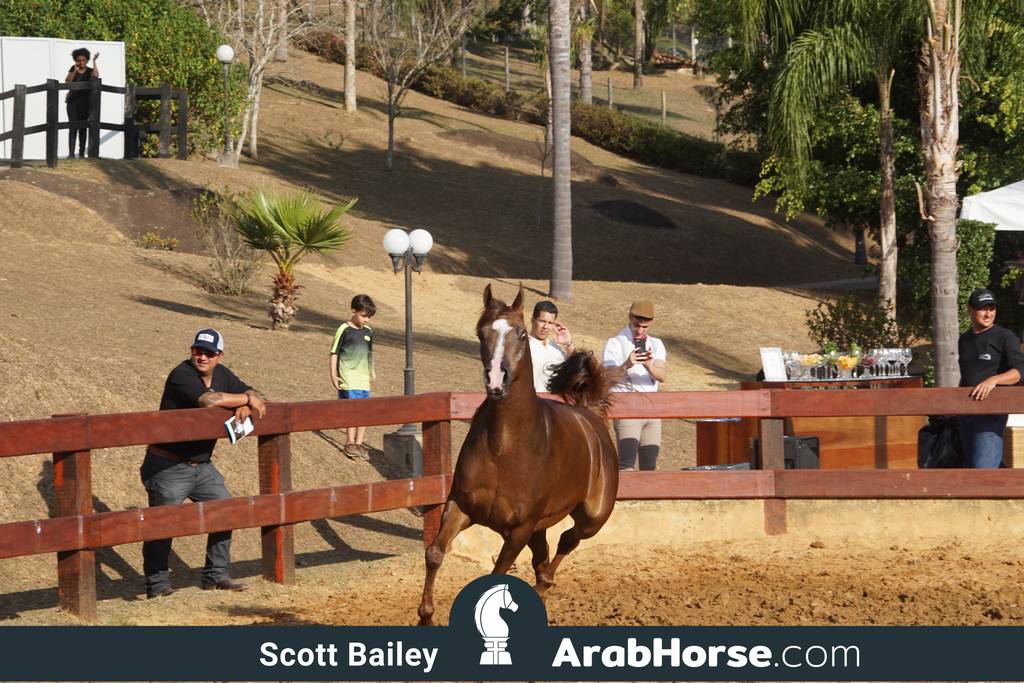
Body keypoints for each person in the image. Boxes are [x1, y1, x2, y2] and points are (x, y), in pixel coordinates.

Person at [141, 328, 266, 599]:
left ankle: (215, 575)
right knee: (164, 523)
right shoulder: (181, 374)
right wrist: (244, 400)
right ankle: (157, 584)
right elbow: (208, 400)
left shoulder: (223, 374)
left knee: (226, 510)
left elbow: (251, 390)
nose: (202, 356)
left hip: (202, 466)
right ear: (191, 351)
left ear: (219, 356)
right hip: (167, 465)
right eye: (198, 350)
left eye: (209, 353)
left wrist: (245, 398)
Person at [958, 288, 1024, 468]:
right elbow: (966, 375)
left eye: (992, 309)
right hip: (966, 412)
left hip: (991, 412)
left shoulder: (1005, 336)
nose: (988, 314)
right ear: (969, 310)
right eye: (982, 308)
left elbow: (1019, 371)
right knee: (970, 468)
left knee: (984, 468)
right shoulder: (964, 339)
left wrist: (993, 380)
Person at [602, 300, 668, 471]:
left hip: (651, 410)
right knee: (626, 465)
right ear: (630, 317)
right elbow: (607, 378)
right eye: (637, 325)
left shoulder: (656, 344)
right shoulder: (615, 343)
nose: (640, 331)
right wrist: (626, 365)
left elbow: (662, 376)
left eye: (645, 327)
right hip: (627, 408)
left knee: (650, 467)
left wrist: (648, 365)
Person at [330, 294, 376, 459]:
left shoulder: (368, 332)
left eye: (369, 317)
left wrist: (372, 371)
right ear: (353, 311)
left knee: (364, 411)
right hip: (348, 378)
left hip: (363, 379)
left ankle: (359, 443)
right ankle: (349, 442)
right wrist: (334, 375)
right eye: (364, 316)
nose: (366, 320)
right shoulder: (344, 329)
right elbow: (334, 353)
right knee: (351, 409)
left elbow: (370, 354)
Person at [529, 300, 575, 393]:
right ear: (532, 320)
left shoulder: (555, 347)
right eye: (542, 321)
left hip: (553, 403)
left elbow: (578, 366)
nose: (545, 327)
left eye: (550, 323)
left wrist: (568, 344)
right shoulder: (524, 345)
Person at [64, 48, 99, 159]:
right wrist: (74, 70)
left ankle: (81, 153)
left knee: (83, 128)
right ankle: (71, 153)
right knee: (73, 127)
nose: (81, 62)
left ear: (86, 60)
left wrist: (94, 61)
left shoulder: (89, 71)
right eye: (78, 60)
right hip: (73, 102)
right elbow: (68, 81)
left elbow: (96, 76)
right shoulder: (73, 69)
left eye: (83, 60)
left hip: (85, 103)